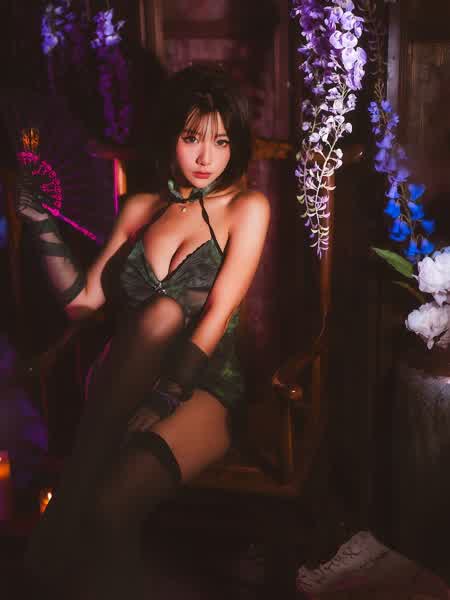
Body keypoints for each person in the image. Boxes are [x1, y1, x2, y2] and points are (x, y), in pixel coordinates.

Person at [18, 64, 270, 599]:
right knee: (157, 316)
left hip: (203, 389)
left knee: (109, 508)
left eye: (221, 142)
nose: (206, 157)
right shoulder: (140, 208)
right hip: (120, 382)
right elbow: (82, 303)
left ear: (235, 146)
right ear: (171, 138)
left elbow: (218, 311)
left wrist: (166, 397)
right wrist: (39, 223)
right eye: (191, 138)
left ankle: (66, 515)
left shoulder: (247, 208)